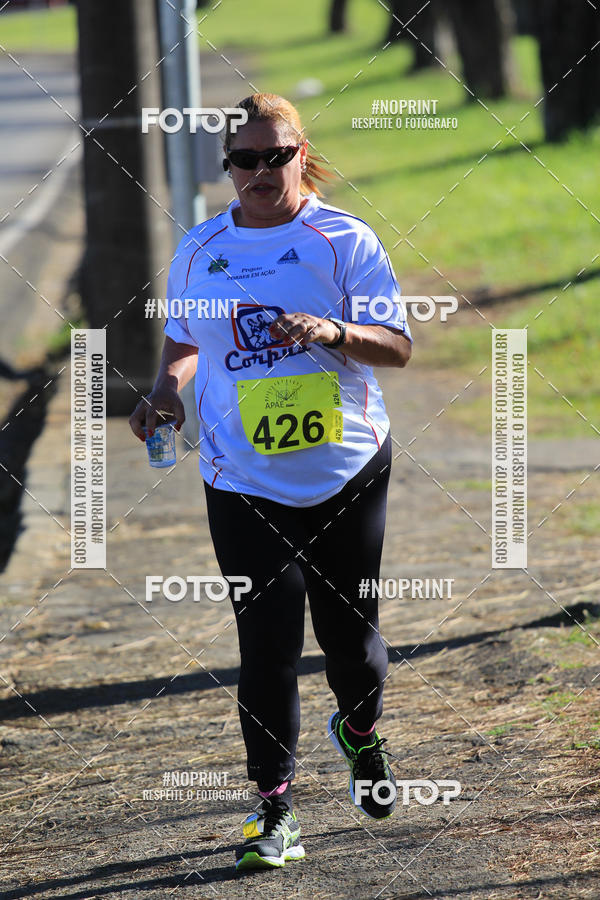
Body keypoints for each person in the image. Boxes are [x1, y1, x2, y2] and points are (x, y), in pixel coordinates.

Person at [129, 92, 412, 872]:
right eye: (245, 159)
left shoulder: (341, 240)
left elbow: (397, 346)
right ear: (228, 166)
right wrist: (166, 392)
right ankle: (273, 808)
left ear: (299, 155)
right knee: (267, 644)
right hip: (241, 474)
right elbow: (184, 340)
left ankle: (359, 732)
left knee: (351, 642)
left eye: (276, 156)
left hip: (346, 467)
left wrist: (332, 332)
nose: (261, 171)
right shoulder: (199, 249)